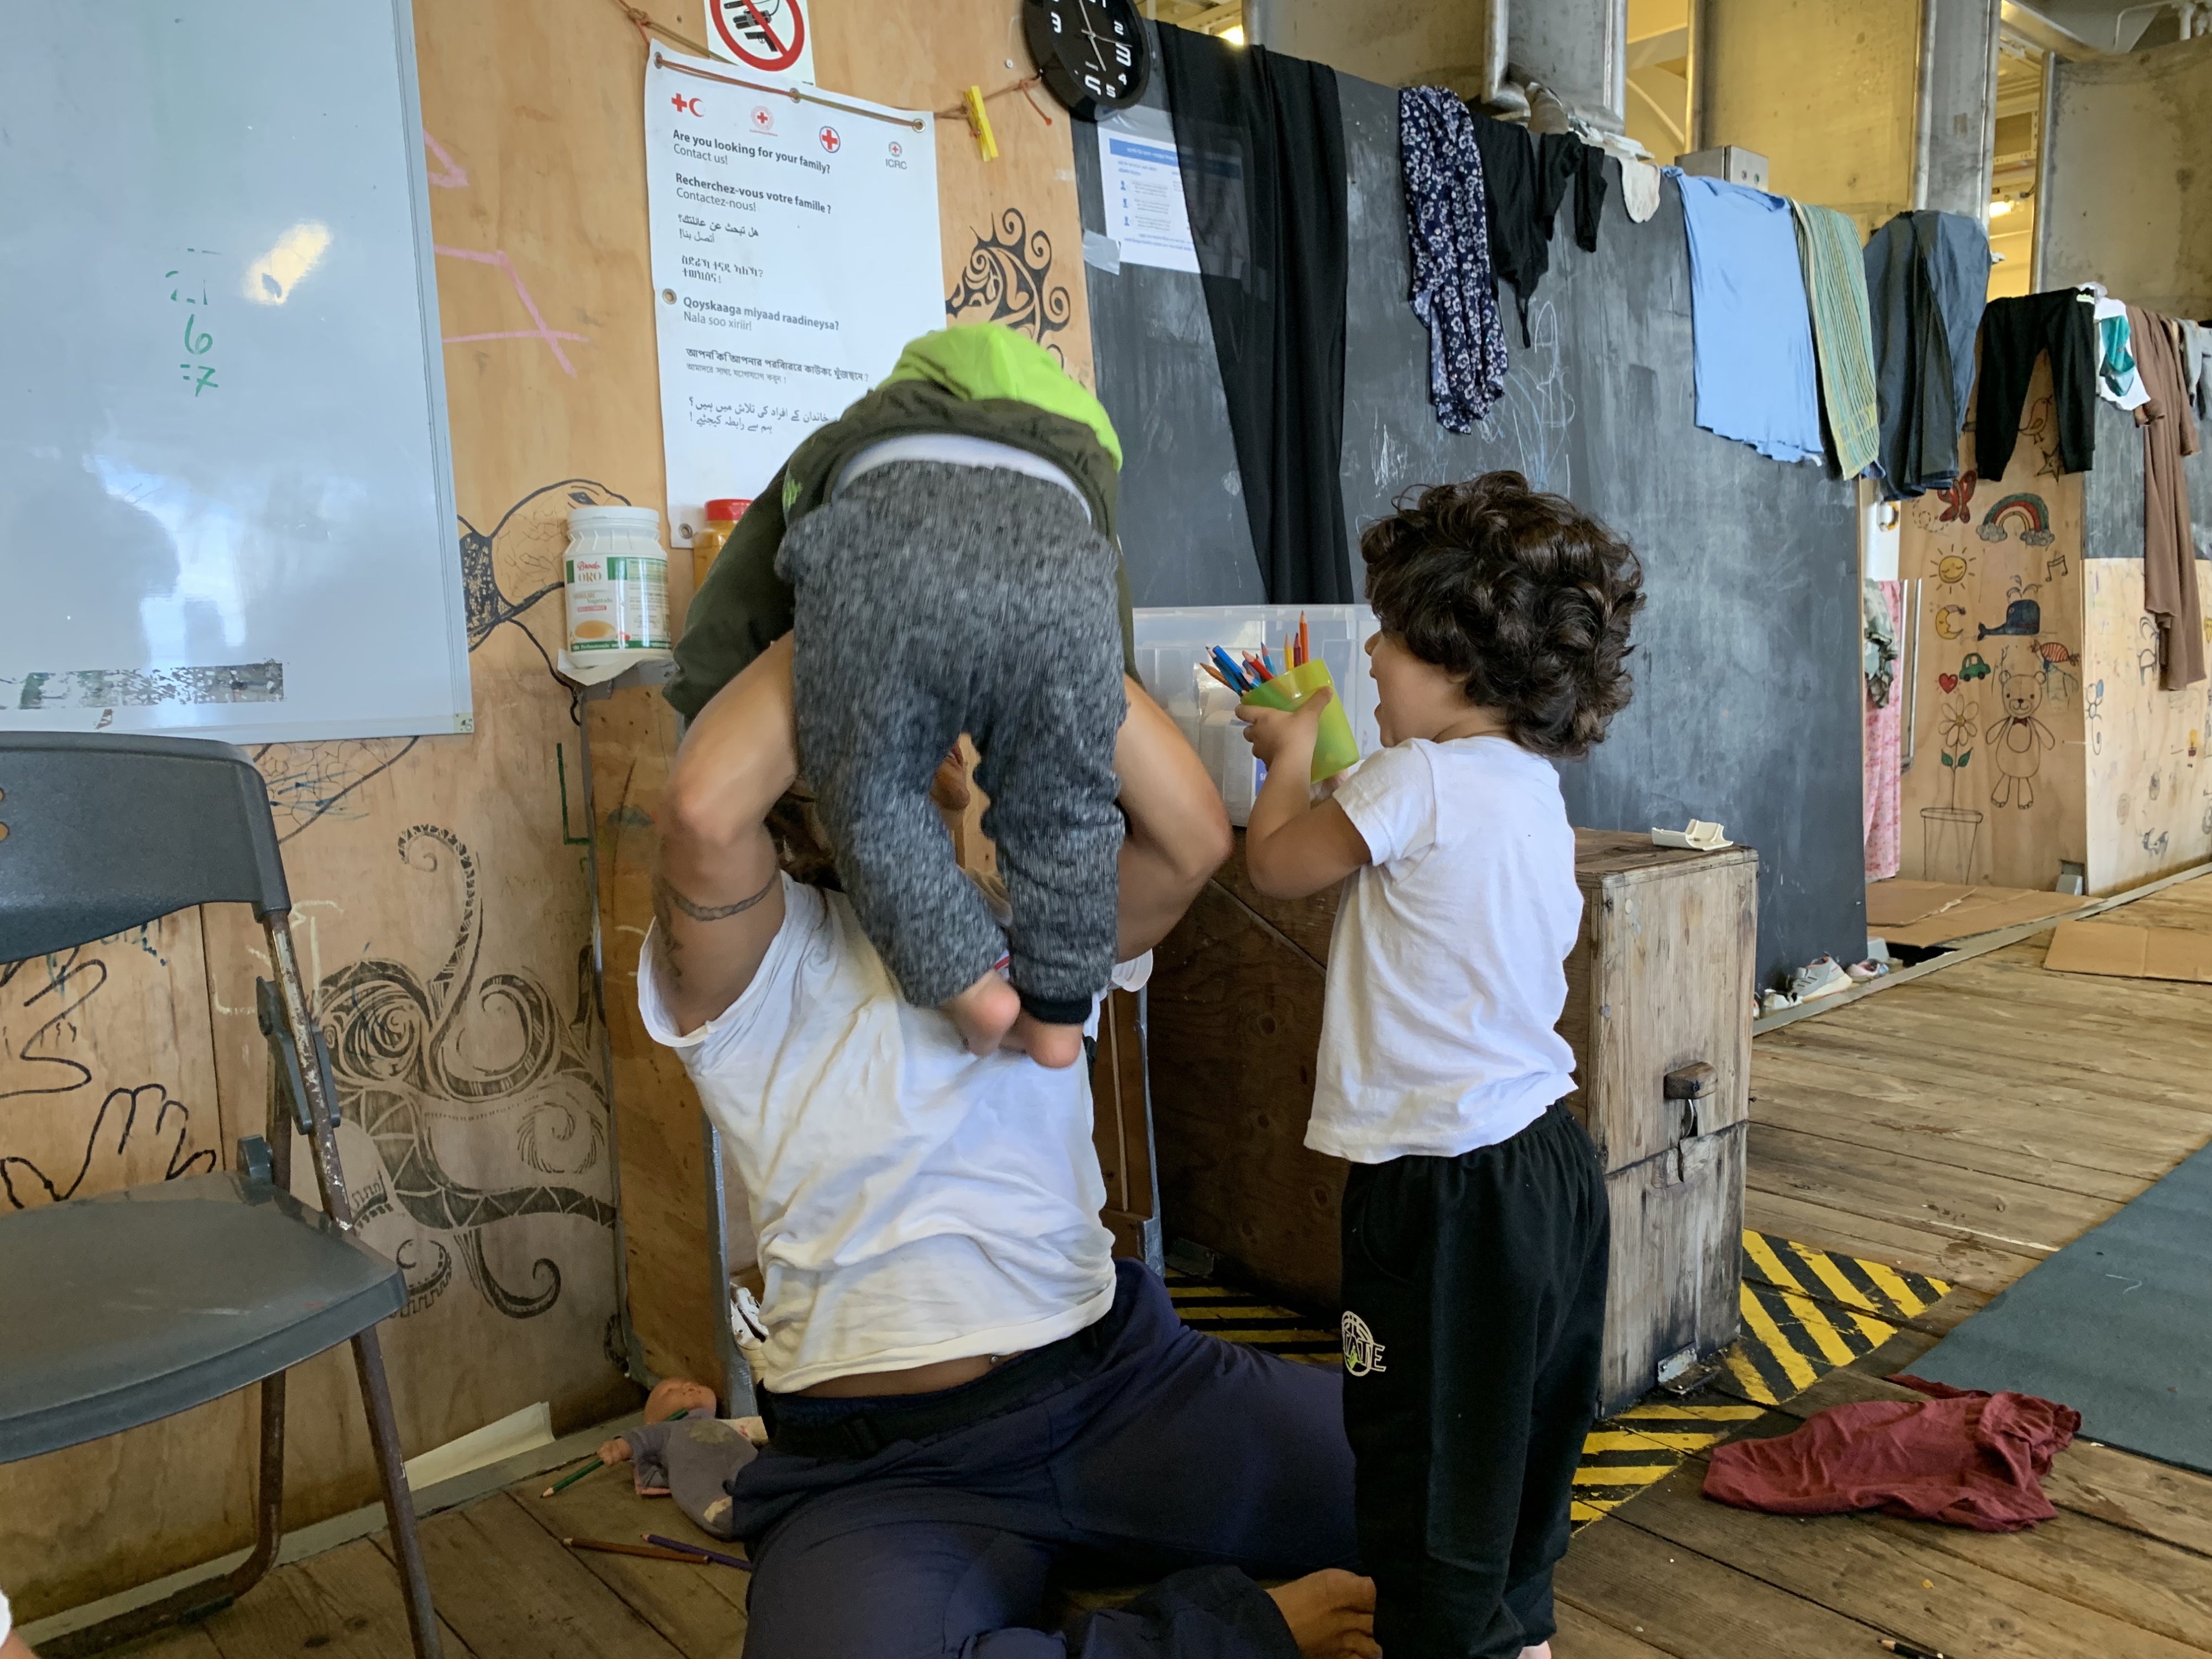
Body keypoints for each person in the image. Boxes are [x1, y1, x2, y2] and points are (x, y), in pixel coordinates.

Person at [650, 634, 1376, 1658]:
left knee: (1467, 1474)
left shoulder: (1030, 922)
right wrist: (868, 594)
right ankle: (1211, 1635)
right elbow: (699, 815)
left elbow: (1192, 840)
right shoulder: (753, 969)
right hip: (884, 1475)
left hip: (1123, 1390)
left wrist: (1031, 602)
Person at [1238, 473, 1645, 1659]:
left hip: (1443, 1187)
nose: (1367, 648)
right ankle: (1517, 1638)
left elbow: (1275, 867)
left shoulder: (1406, 780)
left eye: (1392, 631)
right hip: (1545, 1169)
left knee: (1421, 1464)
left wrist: (1283, 751)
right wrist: (1330, 750)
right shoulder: (1527, 787)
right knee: (1513, 1450)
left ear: (1457, 658)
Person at [667, 323, 1139, 1071]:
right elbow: (1103, 619)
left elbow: (736, 603)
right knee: (1064, 810)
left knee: (875, 795)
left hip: (888, 542)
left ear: (906, 389)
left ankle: (972, 991)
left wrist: (707, 698)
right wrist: (1095, 714)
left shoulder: (848, 437)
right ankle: (1057, 1019)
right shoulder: (1085, 454)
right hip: (1062, 540)